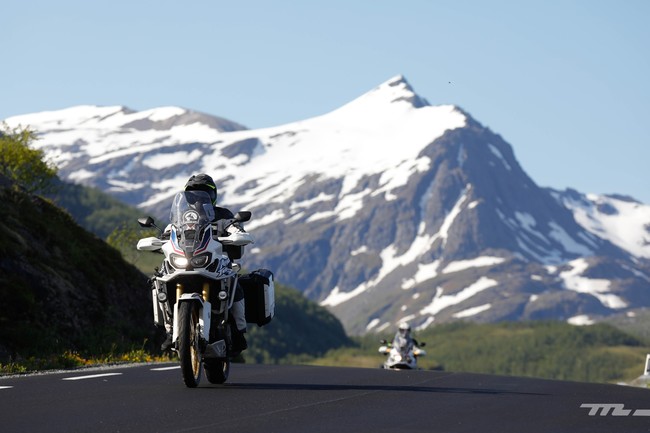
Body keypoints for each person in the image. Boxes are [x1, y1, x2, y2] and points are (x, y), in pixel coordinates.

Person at [183, 173, 249, 356]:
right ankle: (168, 329)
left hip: (216, 264)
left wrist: (238, 233)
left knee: (235, 285)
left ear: (213, 195)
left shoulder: (223, 215)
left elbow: (234, 227)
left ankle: (239, 332)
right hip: (187, 263)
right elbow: (171, 230)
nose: (199, 199)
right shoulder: (185, 217)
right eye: (193, 195)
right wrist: (161, 238)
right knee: (159, 282)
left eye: (205, 193)